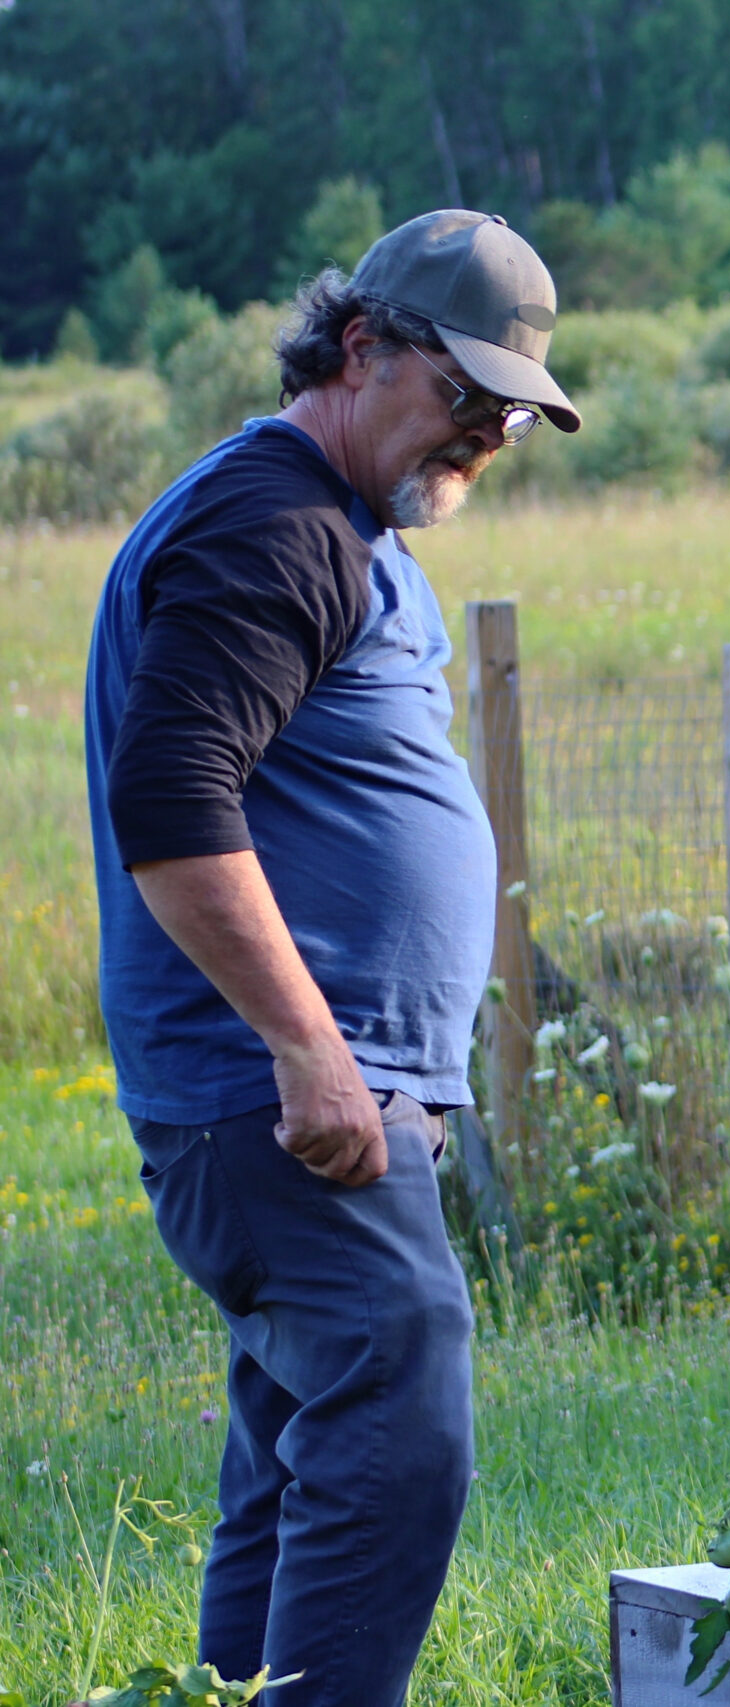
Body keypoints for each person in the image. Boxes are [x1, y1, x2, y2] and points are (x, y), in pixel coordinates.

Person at [84, 210, 578, 1705]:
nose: (490, 428)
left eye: (515, 408)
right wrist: (311, 1052)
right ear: (360, 348)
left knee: (297, 1463)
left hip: (314, 1088)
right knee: (400, 1419)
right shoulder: (276, 519)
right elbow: (173, 805)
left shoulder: (341, 521)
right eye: (467, 390)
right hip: (286, 1093)